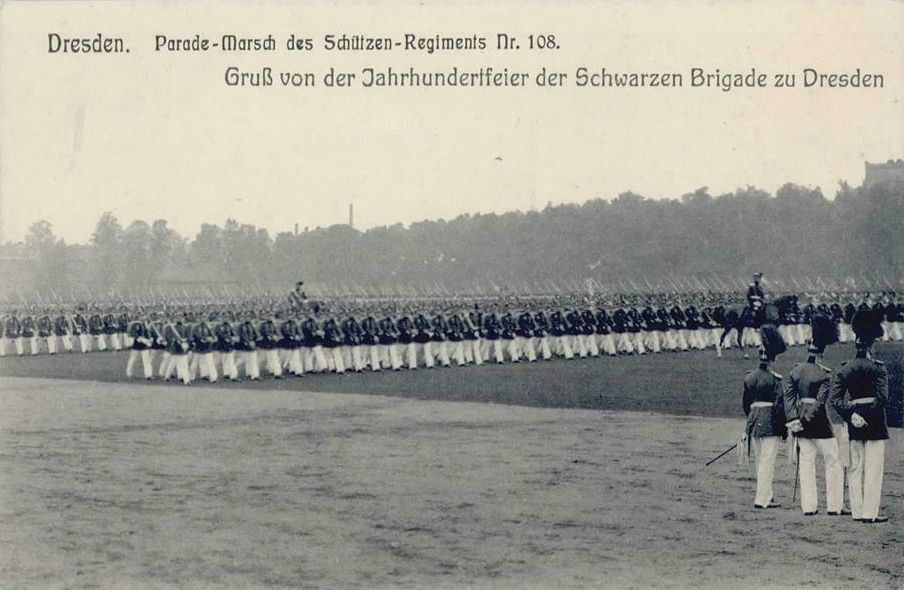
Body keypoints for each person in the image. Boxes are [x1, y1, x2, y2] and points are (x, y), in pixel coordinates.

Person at [829, 340, 890, 523]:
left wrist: (852, 415)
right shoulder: (878, 368)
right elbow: (882, 398)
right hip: (875, 423)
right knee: (874, 468)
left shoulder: (845, 368)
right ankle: (869, 513)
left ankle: (856, 511)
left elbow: (835, 399)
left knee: (855, 467)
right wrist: (867, 416)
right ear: (870, 346)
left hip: (853, 421)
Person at [783, 343, 845, 516]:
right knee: (833, 460)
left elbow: (788, 400)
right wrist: (808, 417)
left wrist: (795, 419)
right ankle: (834, 506)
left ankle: (809, 507)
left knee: (806, 462)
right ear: (821, 352)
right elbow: (820, 401)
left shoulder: (795, 371)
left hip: (801, 422)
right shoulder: (824, 373)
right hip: (820, 423)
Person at [742, 347, 786, 509]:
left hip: (754, 422)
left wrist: (752, 418)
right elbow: (779, 406)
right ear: (772, 360)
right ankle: (762, 499)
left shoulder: (749, 377)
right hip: (770, 422)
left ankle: (767, 495)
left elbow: (746, 404)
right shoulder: (775, 379)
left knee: (760, 460)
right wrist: (783, 429)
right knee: (767, 462)